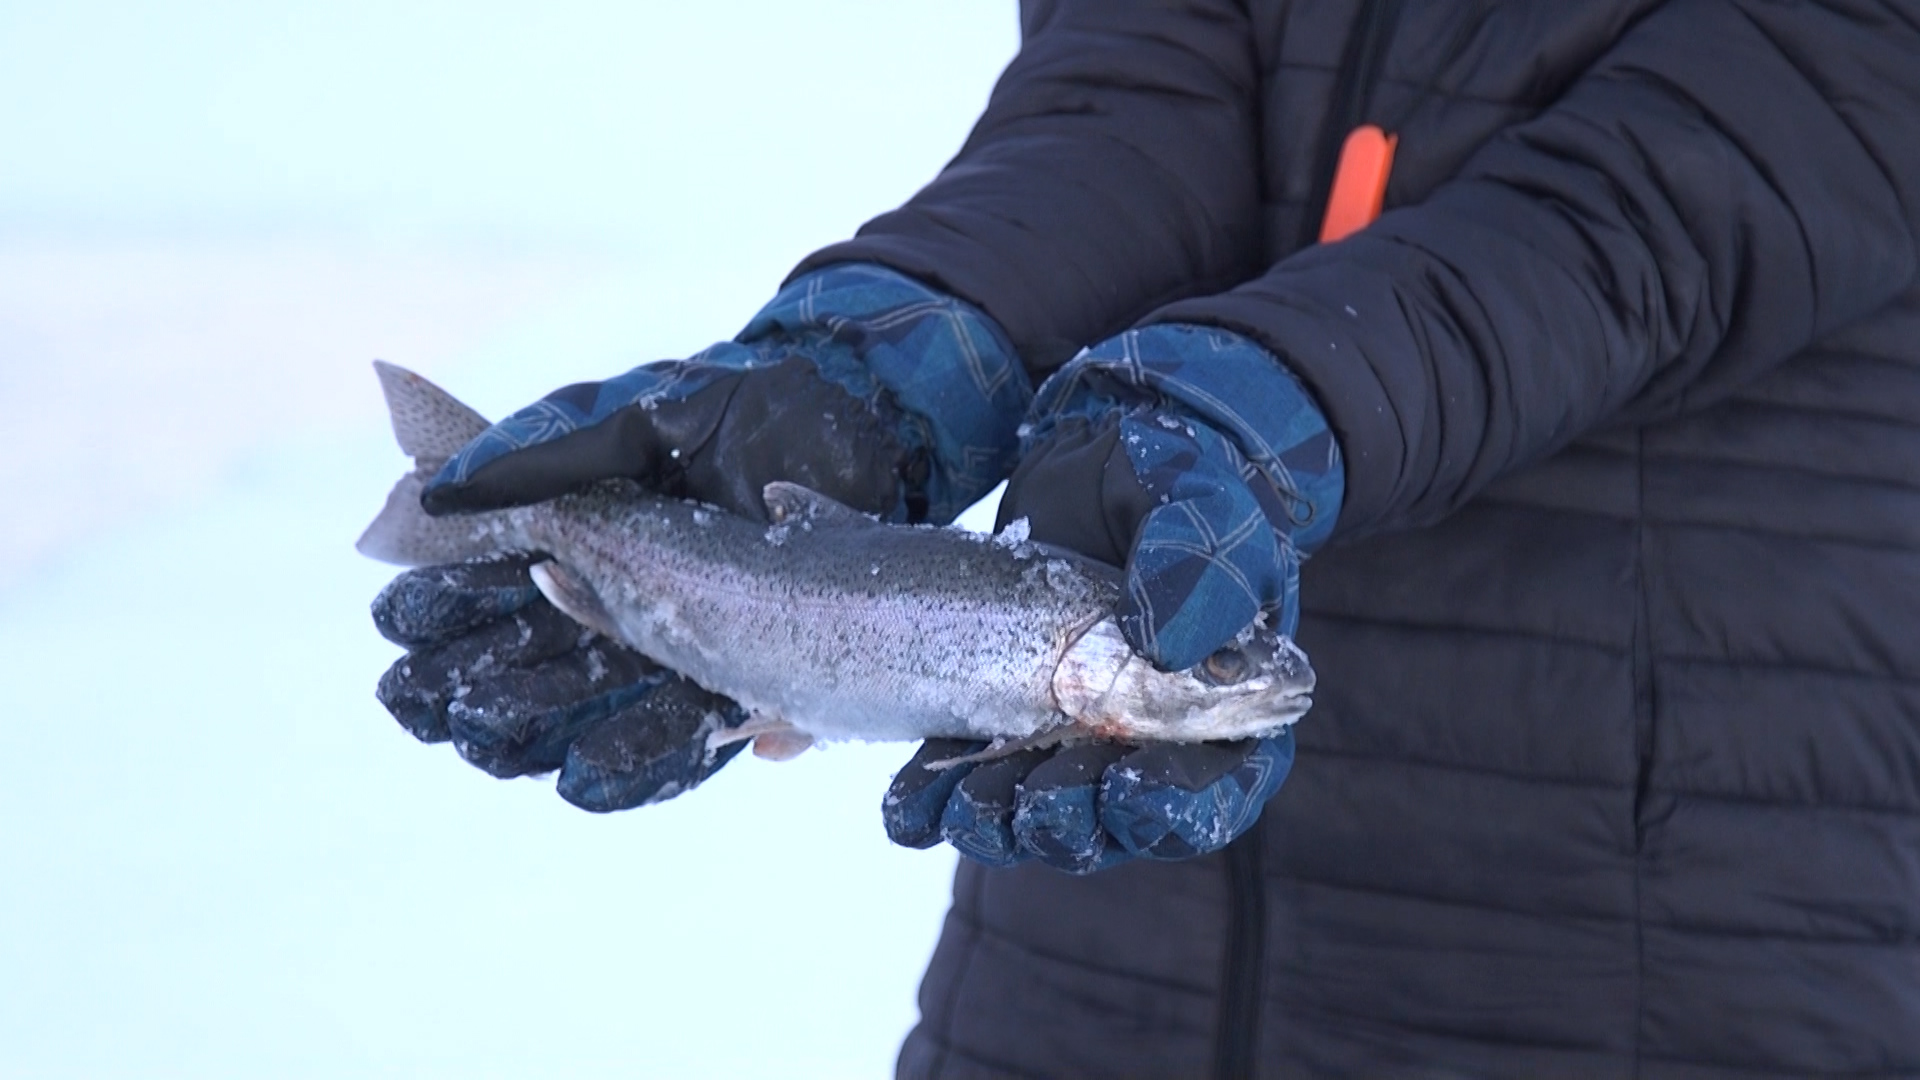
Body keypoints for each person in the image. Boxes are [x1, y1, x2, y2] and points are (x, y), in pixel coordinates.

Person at [370, 0, 1920, 1075]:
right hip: (1102, 942)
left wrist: (1284, 392)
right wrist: (908, 350)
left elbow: (1673, 202)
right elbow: (1134, 87)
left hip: (1673, 931)